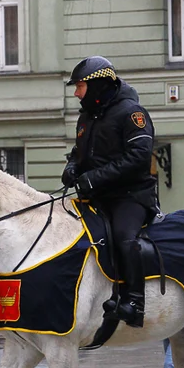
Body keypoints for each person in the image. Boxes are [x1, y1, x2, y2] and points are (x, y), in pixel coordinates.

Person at [62, 56, 156, 328]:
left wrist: (95, 178)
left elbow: (139, 157)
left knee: (124, 237)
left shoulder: (132, 113)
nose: (77, 93)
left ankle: (136, 302)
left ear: (99, 84)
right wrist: (71, 169)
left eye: (80, 86)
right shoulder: (86, 116)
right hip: (96, 196)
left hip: (130, 196)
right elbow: (78, 154)